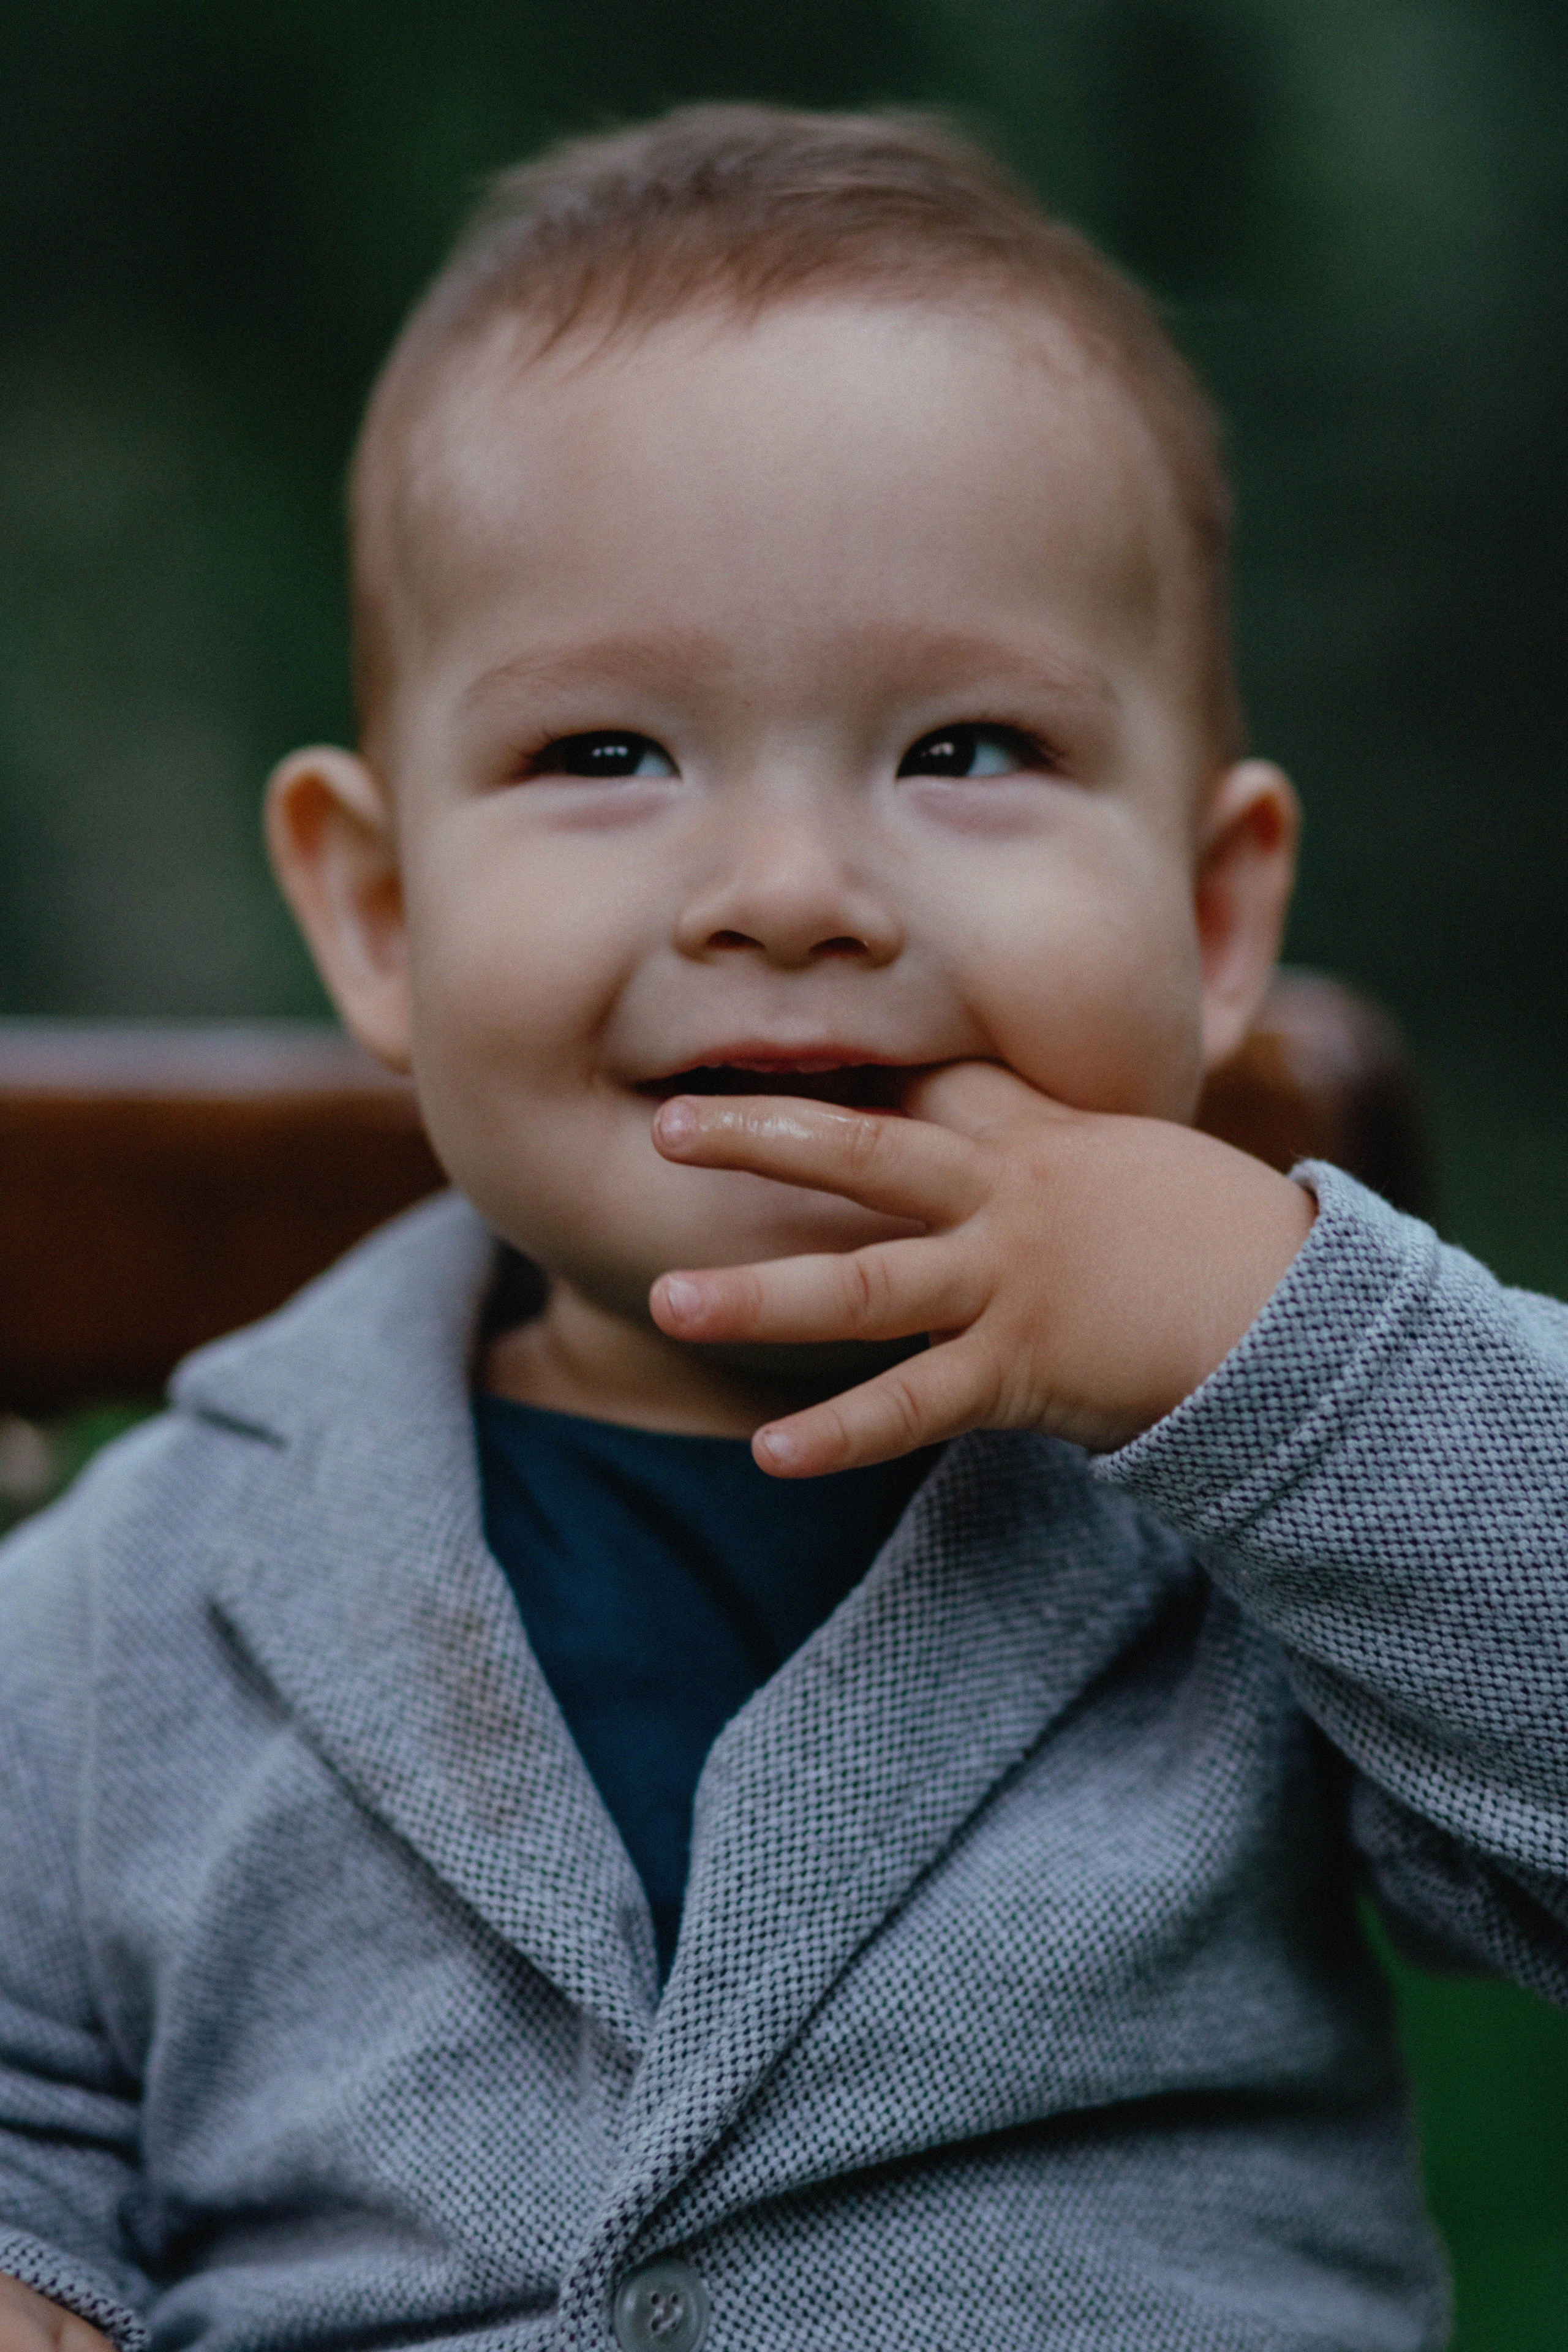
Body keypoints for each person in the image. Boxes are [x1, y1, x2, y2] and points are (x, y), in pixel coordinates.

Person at [1, 104, 1564, 2352]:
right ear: (377, 909)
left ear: (1213, 917)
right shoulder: (126, 1609)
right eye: (610, 757)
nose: (793, 897)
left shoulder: (1260, 1498)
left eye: (963, 750)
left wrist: (1279, 1363)